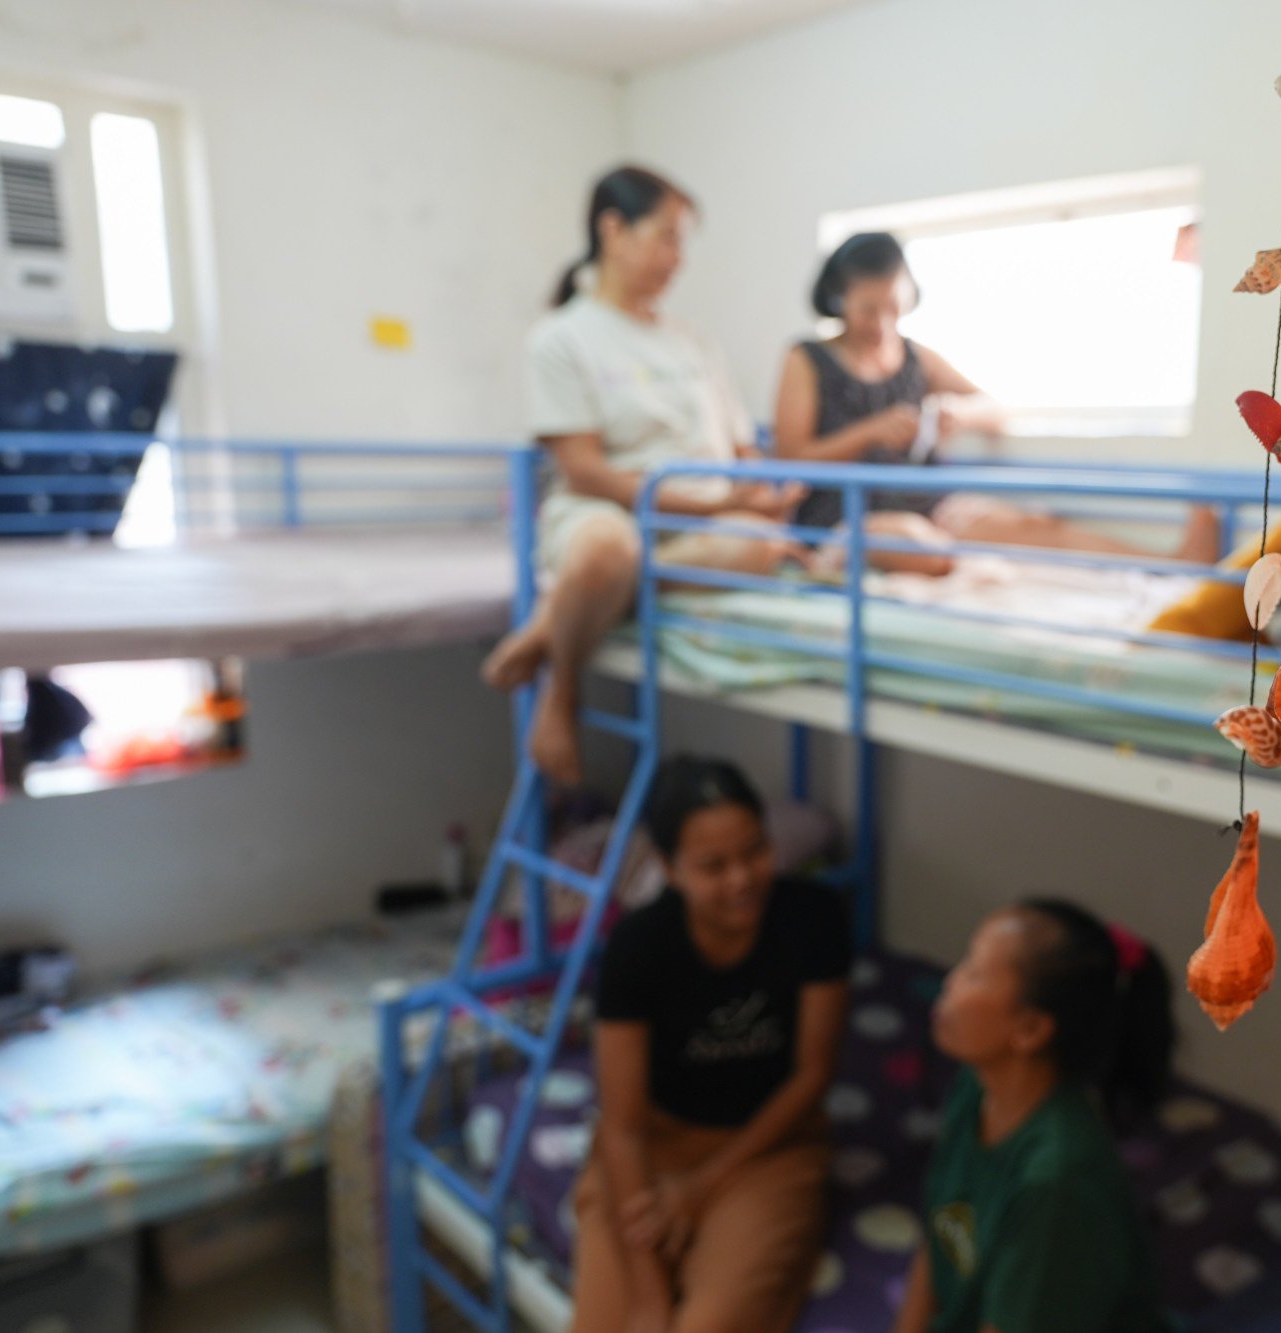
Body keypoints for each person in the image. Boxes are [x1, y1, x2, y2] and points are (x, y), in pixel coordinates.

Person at [483, 167, 803, 787]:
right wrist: (708, 507)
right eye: (667, 237)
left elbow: (743, 447)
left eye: (683, 243)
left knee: (765, 543)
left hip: (704, 520)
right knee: (609, 549)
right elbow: (584, 470)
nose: (678, 259)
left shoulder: (693, 344)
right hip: (610, 509)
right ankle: (561, 693)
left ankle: (554, 620)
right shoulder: (560, 338)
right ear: (613, 231)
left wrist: (764, 491)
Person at [572, 756, 850, 1333]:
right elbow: (623, 1128)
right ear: (669, 869)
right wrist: (648, 1299)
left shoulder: (815, 921)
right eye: (713, 866)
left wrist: (700, 1188)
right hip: (655, 1146)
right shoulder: (638, 947)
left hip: (769, 1149)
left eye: (755, 851)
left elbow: (812, 1076)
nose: (742, 879)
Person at [772, 232, 1219, 573]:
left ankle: (1173, 566)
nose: (883, 323)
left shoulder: (916, 357)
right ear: (839, 300)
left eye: (893, 307)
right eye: (868, 309)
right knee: (920, 545)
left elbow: (995, 409)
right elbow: (790, 457)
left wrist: (960, 414)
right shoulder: (806, 359)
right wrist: (868, 434)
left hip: (929, 505)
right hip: (846, 513)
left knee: (1033, 528)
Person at [893, 900, 1174, 1333]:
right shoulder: (977, 1084)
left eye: (974, 973)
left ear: (1030, 1030)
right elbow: (942, 1228)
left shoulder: (1057, 1182)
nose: (950, 981)